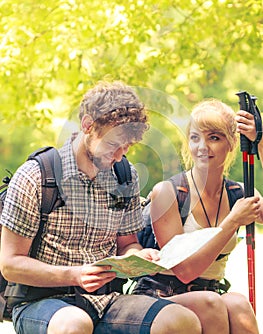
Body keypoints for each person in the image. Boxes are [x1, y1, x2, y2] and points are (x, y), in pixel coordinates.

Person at [0, 81, 206, 334]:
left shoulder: (125, 176)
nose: (120, 155)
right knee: (75, 324)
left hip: (107, 301)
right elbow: (9, 264)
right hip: (42, 303)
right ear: (88, 126)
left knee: (182, 320)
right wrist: (74, 275)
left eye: (127, 147)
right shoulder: (36, 176)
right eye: (113, 145)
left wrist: (136, 256)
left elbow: (127, 243)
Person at [133, 99, 263, 334]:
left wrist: (260, 142)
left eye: (214, 137)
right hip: (161, 295)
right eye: (195, 138)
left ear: (232, 142)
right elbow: (185, 272)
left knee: (238, 304)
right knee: (211, 304)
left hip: (211, 293)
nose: (203, 146)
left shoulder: (238, 195)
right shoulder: (169, 193)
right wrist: (232, 221)